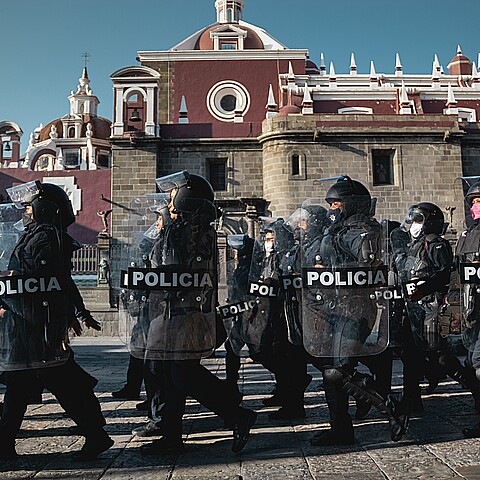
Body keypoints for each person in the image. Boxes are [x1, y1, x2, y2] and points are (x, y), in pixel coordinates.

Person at [122, 171, 257, 455]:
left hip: (179, 315)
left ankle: (234, 414)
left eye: (173, 196)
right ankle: (173, 432)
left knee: (179, 373)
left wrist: (146, 277)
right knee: (171, 372)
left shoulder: (187, 232)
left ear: (185, 198)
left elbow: (170, 271)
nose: (168, 203)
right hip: (174, 313)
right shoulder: (188, 229)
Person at [0, 181, 112, 461]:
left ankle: (96, 434)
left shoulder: (46, 238)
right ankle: (95, 433)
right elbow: (61, 281)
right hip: (31, 322)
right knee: (32, 383)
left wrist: (74, 313)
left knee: (48, 382)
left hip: (36, 324)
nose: (25, 210)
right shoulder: (37, 235)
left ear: (43, 209)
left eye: (29, 206)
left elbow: (54, 282)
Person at [303, 176, 409, 446]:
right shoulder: (339, 229)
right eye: (330, 204)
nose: (332, 208)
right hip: (336, 307)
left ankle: (389, 406)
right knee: (331, 368)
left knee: (337, 372)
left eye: (336, 203)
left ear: (350, 204)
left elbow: (366, 266)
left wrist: (335, 273)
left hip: (356, 308)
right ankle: (341, 428)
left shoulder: (361, 230)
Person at [391, 202, 470, 413]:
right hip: (413, 308)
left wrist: (424, 289)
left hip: (430, 307)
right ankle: (411, 399)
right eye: (412, 220)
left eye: (418, 220)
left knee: (439, 356)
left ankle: (474, 386)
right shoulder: (413, 244)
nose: (413, 225)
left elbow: (445, 275)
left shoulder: (436, 244)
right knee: (410, 354)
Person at [454, 181, 480, 437]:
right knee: (471, 363)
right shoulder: (466, 236)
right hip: (472, 310)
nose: (476, 205)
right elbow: (457, 275)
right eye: (473, 201)